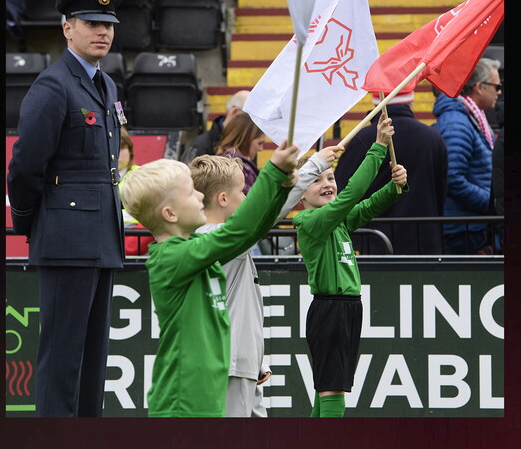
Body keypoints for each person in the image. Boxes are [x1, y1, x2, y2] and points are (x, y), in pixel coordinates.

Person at [6, 0, 127, 417]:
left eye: (109, 25)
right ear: (67, 28)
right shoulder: (54, 85)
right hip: (66, 238)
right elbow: (24, 166)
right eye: (92, 24)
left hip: (100, 238)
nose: (102, 32)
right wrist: (28, 221)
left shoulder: (106, 84)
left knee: (93, 365)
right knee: (61, 363)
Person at [119, 141, 301, 417]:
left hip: (207, 394)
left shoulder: (195, 252)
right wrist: (273, 171)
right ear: (170, 214)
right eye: (191, 194)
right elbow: (239, 231)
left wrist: (282, 189)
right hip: (183, 403)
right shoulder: (172, 258)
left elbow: (251, 232)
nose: (202, 197)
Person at [189, 145, 343, 417]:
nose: (247, 197)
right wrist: (313, 166)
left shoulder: (215, 239)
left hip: (241, 363)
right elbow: (267, 211)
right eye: (241, 191)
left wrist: (257, 360)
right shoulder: (215, 239)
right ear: (223, 198)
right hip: (229, 364)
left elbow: (235, 305)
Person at [294, 114, 408, 417]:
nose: (326, 184)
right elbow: (351, 196)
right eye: (315, 180)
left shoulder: (336, 218)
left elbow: (367, 206)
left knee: (327, 386)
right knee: (333, 387)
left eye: (330, 177)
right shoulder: (310, 221)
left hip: (345, 308)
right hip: (330, 309)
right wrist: (378, 148)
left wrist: (395, 187)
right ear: (300, 194)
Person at [333, 92, 448, 254]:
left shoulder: (363, 139)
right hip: (424, 244)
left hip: (374, 245)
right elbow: (441, 192)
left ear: (376, 104)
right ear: (410, 102)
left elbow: (341, 192)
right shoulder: (433, 138)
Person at [432, 57, 502, 255]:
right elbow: (453, 179)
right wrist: (490, 204)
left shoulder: (471, 118)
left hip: (470, 225)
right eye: (497, 87)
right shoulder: (458, 123)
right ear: (479, 87)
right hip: (462, 230)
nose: (499, 92)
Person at [180, 90, 250, 164]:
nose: (254, 125)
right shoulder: (200, 146)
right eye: (250, 118)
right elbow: (188, 173)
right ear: (235, 112)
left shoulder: (248, 143)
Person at [117, 127, 152, 256]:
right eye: (113, 149)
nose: (117, 154)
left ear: (130, 151)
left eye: (121, 148)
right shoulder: (97, 178)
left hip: (136, 237)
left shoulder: (144, 175)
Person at [214, 111, 266, 194]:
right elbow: (253, 200)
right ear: (245, 139)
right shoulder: (239, 168)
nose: (261, 149)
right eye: (259, 143)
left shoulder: (223, 160)